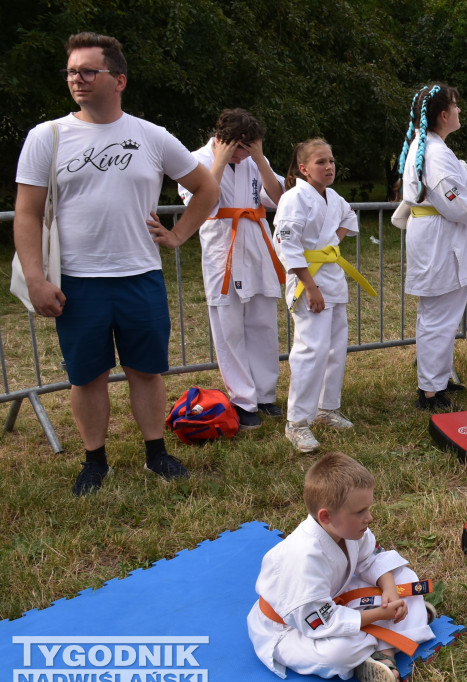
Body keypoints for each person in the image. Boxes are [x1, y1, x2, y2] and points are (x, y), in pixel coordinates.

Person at [13, 32, 220, 496]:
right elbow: (26, 213)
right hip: (77, 282)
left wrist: (179, 234)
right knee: (88, 375)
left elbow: (206, 187)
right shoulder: (47, 137)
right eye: (71, 72)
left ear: (118, 79)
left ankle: (156, 453)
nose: (77, 80)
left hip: (140, 275)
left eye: (89, 71)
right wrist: (35, 279)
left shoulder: (150, 135)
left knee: (147, 370)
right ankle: (95, 461)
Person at [247, 452, 435, 682]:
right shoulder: (303, 558)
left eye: (368, 508)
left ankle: (384, 651)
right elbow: (322, 623)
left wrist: (389, 590)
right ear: (326, 516)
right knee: (340, 652)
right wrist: (380, 614)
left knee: (404, 577)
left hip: (335, 600)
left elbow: (371, 559)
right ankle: (400, 631)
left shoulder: (350, 529)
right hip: (291, 629)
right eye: (360, 511)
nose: (369, 518)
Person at [179, 109, 285, 430]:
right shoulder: (196, 159)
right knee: (229, 327)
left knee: (263, 322)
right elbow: (198, 203)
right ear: (223, 140)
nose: (245, 153)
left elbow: (280, 198)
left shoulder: (254, 159)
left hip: (255, 243)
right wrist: (221, 161)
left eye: (250, 146)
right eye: (240, 147)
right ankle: (242, 399)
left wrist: (262, 160)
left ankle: (265, 395)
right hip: (222, 247)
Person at [400, 84, 467, 411]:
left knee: (441, 315)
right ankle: (430, 392)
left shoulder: (431, 147)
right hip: (440, 240)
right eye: (456, 106)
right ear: (443, 114)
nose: (459, 111)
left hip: (438, 236)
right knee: (438, 318)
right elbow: (452, 202)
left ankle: (437, 379)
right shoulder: (435, 152)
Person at [274, 139, 359, 453]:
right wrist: (310, 285)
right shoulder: (294, 198)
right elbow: (286, 243)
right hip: (307, 282)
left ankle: (326, 408)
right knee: (311, 350)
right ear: (303, 168)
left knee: (335, 347)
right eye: (321, 162)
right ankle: (296, 422)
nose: (329, 167)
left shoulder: (333, 197)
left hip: (332, 279)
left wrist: (330, 248)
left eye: (332, 160)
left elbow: (349, 220)